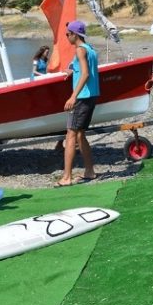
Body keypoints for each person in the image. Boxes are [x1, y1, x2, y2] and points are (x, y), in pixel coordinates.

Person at [55, 21, 99, 187]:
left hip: (82, 97)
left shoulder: (80, 50)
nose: (67, 36)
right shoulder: (90, 49)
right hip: (91, 96)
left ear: (75, 34)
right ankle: (90, 171)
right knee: (80, 135)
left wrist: (73, 96)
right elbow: (84, 68)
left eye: (68, 34)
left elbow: (86, 74)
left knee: (71, 135)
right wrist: (72, 70)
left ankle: (67, 177)